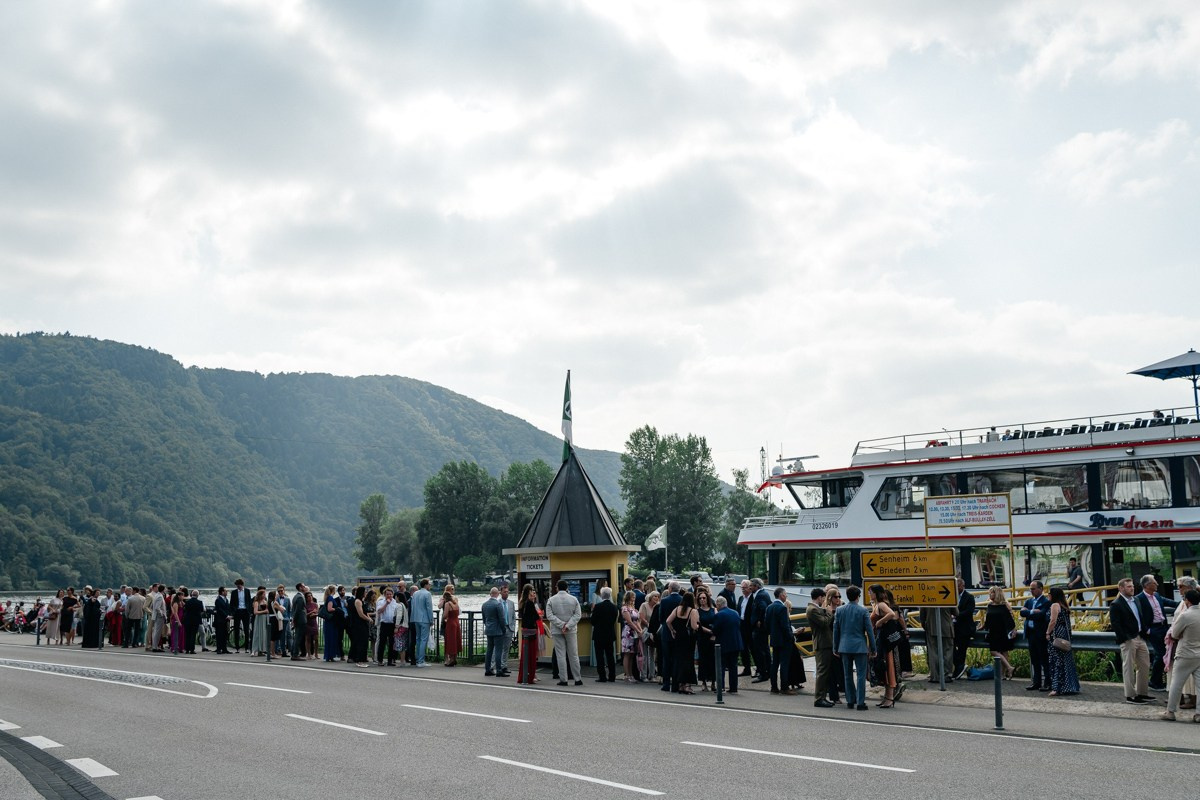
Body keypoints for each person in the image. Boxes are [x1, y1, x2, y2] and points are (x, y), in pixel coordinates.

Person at [1110, 577, 1153, 704]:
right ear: (1121, 588)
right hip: (1128, 639)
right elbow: (1115, 624)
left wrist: (1145, 631)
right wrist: (1125, 638)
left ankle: (1142, 693)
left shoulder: (1137, 600)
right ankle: (1130, 695)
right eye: (1129, 586)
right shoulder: (1116, 604)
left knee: (1145, 665)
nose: (1132, 588)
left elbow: (1140, 617)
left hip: (1140, 637)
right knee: (1128, 667)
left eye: (1132, 586)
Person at [832, 585, 876, 711]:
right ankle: (861, 702)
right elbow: (869, 631)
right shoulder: (863, 611)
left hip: (844, 646)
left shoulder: (840, 610)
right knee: (861, 675)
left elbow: (836, 630)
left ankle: (850, 700)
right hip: (860, 646)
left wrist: (835, 647)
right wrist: (873, 648)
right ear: (858, 596)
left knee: (847, 674)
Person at [1162, 588, 1200, 722]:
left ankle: (1170, 712)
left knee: (1176, 684)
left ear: (1187, 601)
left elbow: (1174, 634)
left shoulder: (1185, 615)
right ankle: (1199, 714)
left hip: (1185, 653)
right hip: (1199, 654)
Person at [1139, 574, 1179, 692]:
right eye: (1154, 582)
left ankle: (1158, 681)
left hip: (1164, 628)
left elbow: (1170, 603)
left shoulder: (1156, 595)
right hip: (1153, 630)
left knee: (1167, 654)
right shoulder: (1139, 598)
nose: (1157, 584)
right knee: (1161, 654)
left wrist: (1186, 603)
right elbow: (1137, 616)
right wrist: (1147, 630)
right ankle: (1155, 682)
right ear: (1147, 585)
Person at [544, 580, 583, 686]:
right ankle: (577, 679)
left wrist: (561, 625)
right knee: (573, 654)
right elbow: (578, 615)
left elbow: (549, 615)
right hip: (571, 630)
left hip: (557, 630)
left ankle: (563, 679)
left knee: (560, 655)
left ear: (557, 587)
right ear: (567, 587)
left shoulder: (551, 600)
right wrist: (568, 625)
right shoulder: (574, 599)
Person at [868, 584, 901, 708]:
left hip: (884, 642)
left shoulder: (881, 604)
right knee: (884, 667)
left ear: (876, 593)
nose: (869, 594)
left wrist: (879, 622)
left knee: (888, 667)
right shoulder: (877, 605)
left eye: (870, 592)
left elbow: (891, 614)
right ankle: (887, 697)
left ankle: (890, 697)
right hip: (880, 641)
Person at [1044, 587, 1080, 696]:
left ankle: (1057, 688)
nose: (1048, 595)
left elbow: (1053, 620)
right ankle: (1069, 686)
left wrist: (1047, 632)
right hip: (1065, 634)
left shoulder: (1055, 605)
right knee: (1066, 660)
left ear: (1053, 595)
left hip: (1056, 634)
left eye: (1049, 593)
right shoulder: (1064, 606)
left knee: (1056, 660)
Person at [1020, 580, 1051, 691]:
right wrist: (1033, 612)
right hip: (1031, 633)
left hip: (1040, 634)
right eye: (1030, 589)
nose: (1031, 591)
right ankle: (1036, 682)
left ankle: (1048, 683)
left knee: (1044, 658)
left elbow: (1042, 615)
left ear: (1040, 589)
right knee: (1034, 659)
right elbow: (1022, 613)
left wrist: (1028, 613)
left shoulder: (1046, 602)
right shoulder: (1029, 601)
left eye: (1033, 589)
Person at [666, 591, 699, 694]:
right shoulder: (692, 611)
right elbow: (694, 626)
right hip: (688, 638)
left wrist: (672, 630)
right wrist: (699, 626)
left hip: (678, 636)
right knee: (688, 661)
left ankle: (679, 684)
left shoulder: (677, 609)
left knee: (678, 660)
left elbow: (668, 621)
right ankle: (687, 685)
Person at [807, 588, 835, 708]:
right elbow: (823, 623)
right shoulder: (812, 609)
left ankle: (822, 697)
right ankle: (819, 698)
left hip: (825, 643)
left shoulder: (816, 609)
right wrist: (829, 612)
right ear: (819, 597)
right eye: (823, 598)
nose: (824, 600)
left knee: (825, 671)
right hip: (822, 643)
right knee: (822, 672)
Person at [764, 587, 795, 695]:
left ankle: (774, 686)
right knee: (784, 664)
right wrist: (791, 637)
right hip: (784, 640)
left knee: (774, 664)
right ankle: (784, 687)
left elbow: (766, 624)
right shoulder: (782, 608)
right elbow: (785, 626)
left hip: (774, 639)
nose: (786, 596)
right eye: (785, 594)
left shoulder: (769, 607)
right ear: (781, 595)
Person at [710, 595, 743, 693]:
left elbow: (715, 630)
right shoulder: (735, 613)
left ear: (719, 604)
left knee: (721, 666)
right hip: (736, 643)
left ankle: (721, 687)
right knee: (733, 666)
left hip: (723, 643)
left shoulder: (719, 615)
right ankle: (733, 688)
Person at [982, 586, 1016, 679]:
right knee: (998, 652)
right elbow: (987, 620)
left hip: (1003, 631)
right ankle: (1006, 671)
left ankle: (1005, 672)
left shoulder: (1004, 605)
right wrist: (981, 627)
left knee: (1001, 652)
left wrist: (1013, 629)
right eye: (990, 592)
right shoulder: (989, 605)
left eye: (992, 592)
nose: (990, 594)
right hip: (993, 631)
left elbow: (1010, 619)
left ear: (997, 594)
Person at [657, 582, 683, 692]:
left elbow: (661, 618)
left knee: (666, 659)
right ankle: (676, 684)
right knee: (677, 659)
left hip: (667, 633)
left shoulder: (664, 601)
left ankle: (666, 684)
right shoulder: (682, 600)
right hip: (679, 633)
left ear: (670, 589)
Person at [590, 586, 619, 682]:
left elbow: (593, 621)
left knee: (600, 656)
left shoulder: (598, 607)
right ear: (610, 595)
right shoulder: (614, 607)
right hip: (610, 633)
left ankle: (602, 676)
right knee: (610, 655)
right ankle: (612, 676)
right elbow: (614, 620)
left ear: (602, 595)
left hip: (599, 634)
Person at [952, 578, 976, 680]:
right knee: (951, 648)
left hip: (965, 628)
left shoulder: (969, 597)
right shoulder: (952, 597)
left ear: (963, 586)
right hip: (954, 628)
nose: (956, 588)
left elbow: (969, 611)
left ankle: (959, 669)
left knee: (962, 649)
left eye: (958, 586)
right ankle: (959, 666)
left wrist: (956, 616)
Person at [749, 578, 772, 685]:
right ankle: (769, 671)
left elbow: (763, 608)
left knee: (760, 651)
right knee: (765, 650)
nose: (750, 588)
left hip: (760, 629)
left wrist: (759, 620)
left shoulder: (760, 595)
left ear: (757, 586)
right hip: (763, 629)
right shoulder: (764, 594)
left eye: (751, 586)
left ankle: (763, 673)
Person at [481, 587, 508, 677]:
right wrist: (503, 629)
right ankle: (499, 670)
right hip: (498, 631)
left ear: (490, 594)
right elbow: (502, 619)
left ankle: (487, 669)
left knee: (489, 650)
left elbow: (484, 619)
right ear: (497, 594)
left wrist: (487, 626)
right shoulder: (498, 604)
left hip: (489, 630)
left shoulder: (484, 605)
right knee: (498, 651)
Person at [517, 583, 540, 684]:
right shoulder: (530, 603)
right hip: (531, 630)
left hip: (524, 629)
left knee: (525, 653)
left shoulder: (522, 602)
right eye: (532, 590)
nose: (533, 592)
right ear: (529, 591)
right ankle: (530, 676)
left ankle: (524, 675)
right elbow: (536, 617)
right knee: (531, 654)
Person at [695, 590, 717, 691]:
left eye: (704, 598)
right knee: (703, 660)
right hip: (703, 637)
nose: (702, 600)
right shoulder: (697, 611)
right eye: (700, 598)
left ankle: (713, 681)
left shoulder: (714, 610)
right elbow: (698, 625)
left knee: (713, 660)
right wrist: (709, 631)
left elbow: (717, 621)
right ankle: (703, 681)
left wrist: (714, 632)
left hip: (713, 638)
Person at [620, 590, 643, 683]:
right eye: (633, 597)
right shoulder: (625, 608)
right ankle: (627, 675)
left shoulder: (633, 608)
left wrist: (640, 630)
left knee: (632, 654)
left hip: (634, 632)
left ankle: (631, 674)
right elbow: (629, 622)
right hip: (628, 632)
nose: (634, 599)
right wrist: (638, 630)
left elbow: (637, 621)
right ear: (629, 597)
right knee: (627, 653)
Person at [410, 579, 434, 667]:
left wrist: (412, 618)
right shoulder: (427, 594)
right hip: (424, 619)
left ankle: (418, 660)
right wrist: (431, 620)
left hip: (416, 618)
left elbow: (413, 606)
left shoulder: (416, 593)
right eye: (429, 584)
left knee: (418, 639)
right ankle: (421, 660)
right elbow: (429, 608)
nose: (430, 586)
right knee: (424, 639)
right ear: (426, 585)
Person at [639, 591, 660, 682]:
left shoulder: (657, 606)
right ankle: (643, 675)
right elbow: (642, 618)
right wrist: (649, 625)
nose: (657, 598)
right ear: (651, 597)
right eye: (655, 596)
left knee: (652, 654)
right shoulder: (644, 605)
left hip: (653, 632)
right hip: (645, 631)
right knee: (644, 654)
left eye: (658, 596)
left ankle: (652, 675)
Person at [348, 585, 371, 667]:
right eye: (365, 592)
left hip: (363, 623)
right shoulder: (357, 601)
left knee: (364, 641)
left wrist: (368, 617)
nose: (366, 593)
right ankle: (359, 660)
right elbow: (360, 614)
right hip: (358, 624)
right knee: (360, 641)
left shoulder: (362, 601)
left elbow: (365, 612)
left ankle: (362, 658)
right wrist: (369, 619)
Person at [375, 587, 399, 666]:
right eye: (387, 594)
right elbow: (379, 611)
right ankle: (380, 660)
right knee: (382, 642)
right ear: (385, 595)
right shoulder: (381, 602)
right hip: (384, 624)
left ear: (393, 594)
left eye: (390, 594)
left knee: (392, 643)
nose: (389, 596)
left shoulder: (395, 603)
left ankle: (390, 660)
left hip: (392, 624)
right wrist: (386, 603)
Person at [498, 582, 516, 676]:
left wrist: (513, 627)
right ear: (500, 592)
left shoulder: (511, 603)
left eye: (507, 592)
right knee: (499, 648)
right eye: (504, 592)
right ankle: (498, 666)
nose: (506, 593)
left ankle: (504, 666)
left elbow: (514, 616)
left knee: (506, 648)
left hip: (509, 628)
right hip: (500, 629)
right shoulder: (497, 603)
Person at [231, 579, 252, 653]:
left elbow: (249, 601)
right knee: (236, 629)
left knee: (246, 630)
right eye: (237, 586)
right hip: (237, 611)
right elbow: (232, 603)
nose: (238, 587)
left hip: (245, 611)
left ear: (242, 585)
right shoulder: (233, 592)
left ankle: (247, 647)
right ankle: (237, 647)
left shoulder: (247, 591)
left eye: (239, 586)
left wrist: (249, 611)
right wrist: (233, 612)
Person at [321, 585, 340, 662]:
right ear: (333, 590)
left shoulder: (327, 598)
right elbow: (329, 608)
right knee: (331, 638)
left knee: (329, 638)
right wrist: (337, 609)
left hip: (328, 622)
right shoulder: (331, 598)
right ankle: (330, 655)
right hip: (331, 621)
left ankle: (329, 655)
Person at [442, 589, 460, 666]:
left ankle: (451, 660)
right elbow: (458, 613)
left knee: (450, 641)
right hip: (456, 622)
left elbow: (445, 615)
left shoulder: (447, 604)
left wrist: (443, 618)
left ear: (445, 598)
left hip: (450, 623)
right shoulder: (456, 603)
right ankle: (455, 658)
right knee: (456, 640)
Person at [290, 583, 309, 661]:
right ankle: (295, 654)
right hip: (301, 620)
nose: (305, 587)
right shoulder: (300, 597)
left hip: (298, 620)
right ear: (300, 588)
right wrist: (294, 620)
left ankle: (294, 652)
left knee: (297, 637)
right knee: (298, 637)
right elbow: (298, 610)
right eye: (304, 586)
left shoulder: (295, 596)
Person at [183, 589, 204, 654]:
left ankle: (187, 649)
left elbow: (185, 610)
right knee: (193, 635)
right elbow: (202, 610)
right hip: (195, 620)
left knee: (187, 635)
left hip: (187, 620)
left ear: (192, 594)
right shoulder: (199, 602)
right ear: (197, 595)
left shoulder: (187, 602)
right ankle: (192, 649)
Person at [250, 587, 269, 657]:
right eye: (264, 594)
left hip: (265, 618)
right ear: (261, 595)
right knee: (257, 634)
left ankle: (262, 649)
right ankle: (254, 650)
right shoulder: (256, 602)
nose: (265, 595)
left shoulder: (265, 601)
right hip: (259, 619)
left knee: (264, 634)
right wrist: (264, 611)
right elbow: (255, 612)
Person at [213, 587, 230, 654]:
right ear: (222, 592)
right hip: (220, 620)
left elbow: (227, 608)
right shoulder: (218, 600)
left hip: (225, 620)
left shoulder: (226, 599)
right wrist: (226, 615)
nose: (227, 592)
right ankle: (219, 649)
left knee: (225, 634)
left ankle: (224, 648)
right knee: (219, 634)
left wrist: (229, 614)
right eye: (226, 591)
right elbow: (219, 610)